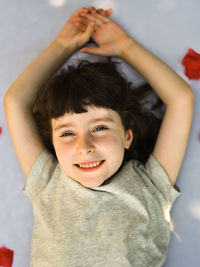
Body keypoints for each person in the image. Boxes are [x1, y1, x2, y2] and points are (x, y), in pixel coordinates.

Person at [4, 6, 194, 267]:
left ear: (127, 136)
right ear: (55, 143)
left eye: (100, 128)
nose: (85, 147)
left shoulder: (151, 186)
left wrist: (125, 46)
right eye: (68, 133)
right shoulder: (47, 183)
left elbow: (181, 99)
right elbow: (14, 101)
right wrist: (63, 45)